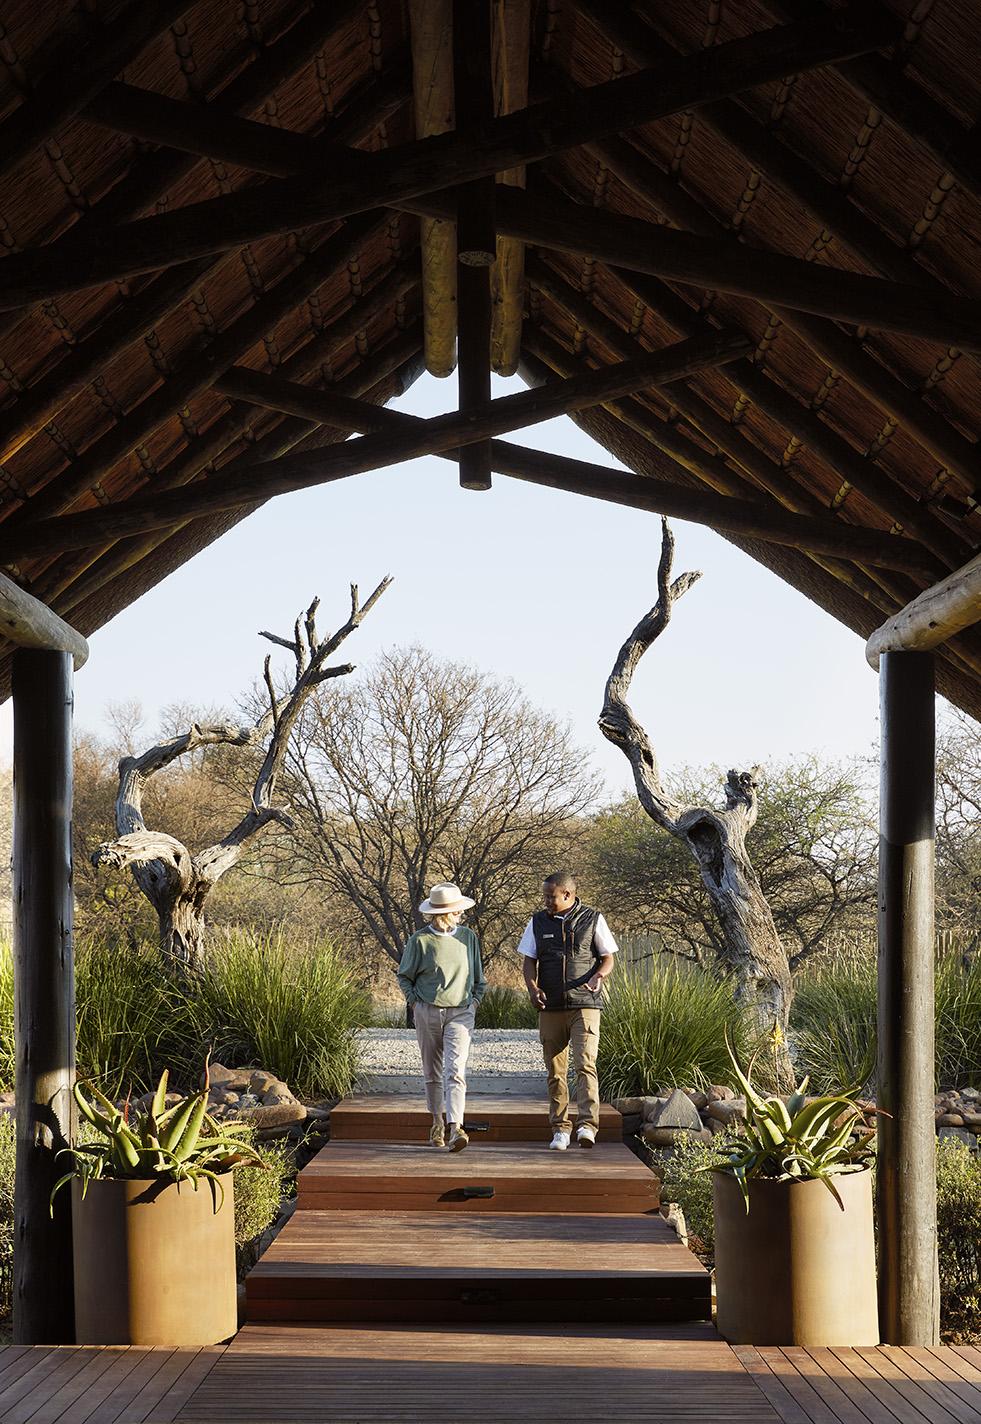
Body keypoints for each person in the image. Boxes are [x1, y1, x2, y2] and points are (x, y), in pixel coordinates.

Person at [520, 871, 618, 1150]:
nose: (546, 901)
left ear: (567, 894)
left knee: (585, 1064)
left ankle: (587, 1125)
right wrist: (532, 989)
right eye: (544, 896)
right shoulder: (537, 922)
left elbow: (608, 958)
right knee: (555, 1069)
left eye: (551, 896)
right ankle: (560, 1129)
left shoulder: (593, 918)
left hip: (585, 1004)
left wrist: (599, 976)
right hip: (550, 1005)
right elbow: (529, 961)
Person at [398, 882, 486, 1152]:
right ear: (444, 913)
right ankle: (437, 1121)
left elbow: (478, 976)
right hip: (428, 1010)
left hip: (461, 1011)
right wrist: (415, 1003)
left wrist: (475, 1001)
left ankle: (455, 1127)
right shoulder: (420, 940)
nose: (461, 913)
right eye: (457, 910)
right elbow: (404, 976)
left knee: (456, 1070)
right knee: (432, 1071)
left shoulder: (468, 937)